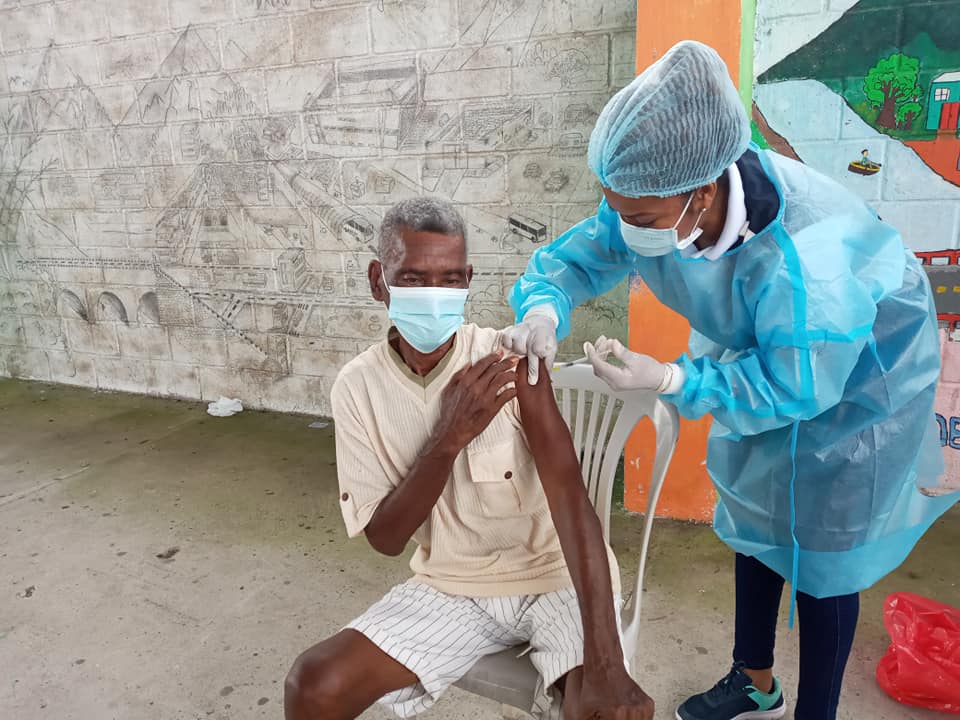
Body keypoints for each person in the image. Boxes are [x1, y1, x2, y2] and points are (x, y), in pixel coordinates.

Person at [502, 40, 959, 720]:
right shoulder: (655, 191)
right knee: (759, 516)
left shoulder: (804, 258)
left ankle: (817, 713)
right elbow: (580, 257)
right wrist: (543, 309)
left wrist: (674, 379)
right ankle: (755, 681)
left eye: (641, 220)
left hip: (861, 379)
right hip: (772, 348)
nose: (626, 230)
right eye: (618, 210)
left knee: (823, 551)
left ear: (705, 192)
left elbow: (794, 384)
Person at [284, 197, 654, 720]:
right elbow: (386, 539)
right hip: (455, 585)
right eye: (413, 279)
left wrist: (608, 661)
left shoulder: (507, 359)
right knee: (313, 685)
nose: (434, 295)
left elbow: (571, 497)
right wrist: (448, 438)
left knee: (599, 709)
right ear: (378, 281)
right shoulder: (357, 388)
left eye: (451, 278)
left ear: (468, 280)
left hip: (554, 575)